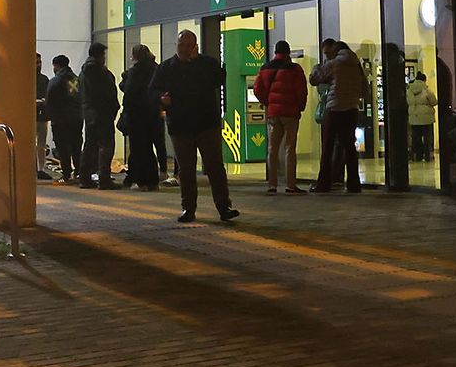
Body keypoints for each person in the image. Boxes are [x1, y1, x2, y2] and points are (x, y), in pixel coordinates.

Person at [149, 30, 239, 223]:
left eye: (189, 45)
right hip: (180, 125)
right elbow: (152, 90)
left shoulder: (206, 64)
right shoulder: (167, 68)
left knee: (215, 167)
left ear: (195, 46)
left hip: (207, 123)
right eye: (181, 45)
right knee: (186, 169)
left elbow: (219, 77)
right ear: (176, 45)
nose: (184, 49)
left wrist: (198, 61)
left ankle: (224, 206)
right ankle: (188, 208)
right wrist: (161, 99)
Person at [252, 40, 308, 194]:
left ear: (275, 52)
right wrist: (300, 107)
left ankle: (272, 184)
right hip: (290, 113)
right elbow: (301, 90)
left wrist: (268, 102)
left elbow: (257, 89)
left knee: (272, 148)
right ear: (288, 52)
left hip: (273, 113)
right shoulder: (295, 69)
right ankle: (291, 184)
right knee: (290, 148)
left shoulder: (265, 68)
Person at [309, 38, 363, 193]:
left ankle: (324, 183)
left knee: (327, 147)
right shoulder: (355, 64)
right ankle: (354, 184)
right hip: (352, 109)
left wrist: (318, 66)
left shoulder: (335, 64)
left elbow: (315, 79)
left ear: (335, 51)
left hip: (334, 109)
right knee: (349, 148)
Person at [77, 42, 121, 189]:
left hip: (90, 114)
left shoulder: (83, 72)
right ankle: (104, 178)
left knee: (89, 146)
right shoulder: (100, 72)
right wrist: (113, 108)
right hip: (102, 114)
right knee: (106, 146)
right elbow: (106, 94)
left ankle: (84, 177)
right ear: (100, 55)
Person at [119, 45, 160, 190]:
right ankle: (153, 180)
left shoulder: (135, 72)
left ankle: (141, 181)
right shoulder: (156, 68)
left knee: (138, 149)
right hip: (152, 114)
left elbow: (129, 92)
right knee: (148, 148)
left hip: (136, 116)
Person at [45, 54, 84, 184]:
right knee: (76, 146)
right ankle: (78, 172)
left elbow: (50, 100)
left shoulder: (55, 81)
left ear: (56, 65)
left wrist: (50, 114)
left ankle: (66, 174)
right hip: (76, 118)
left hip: (60, 119)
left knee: (63, 148)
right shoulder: (75, 79)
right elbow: (77, 98)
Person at [407, 71, 437, 163]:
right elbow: (434, 101)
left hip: (414, 118)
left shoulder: (409, 90)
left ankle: (417, 156)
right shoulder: (427, 90)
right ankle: (428, 156)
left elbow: (408, 102)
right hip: (426, 118)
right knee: (427, 138)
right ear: (424, 80)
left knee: (416, 138)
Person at [34, 53, 52, 181]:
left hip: (42, 116)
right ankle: (33, 167)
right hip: (30, 116)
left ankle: (41, 169)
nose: (39, 65)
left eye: (40, 62)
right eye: (36, 62)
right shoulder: (24, 78)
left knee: (41, 144)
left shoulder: (44, 79)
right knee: (30, 143)